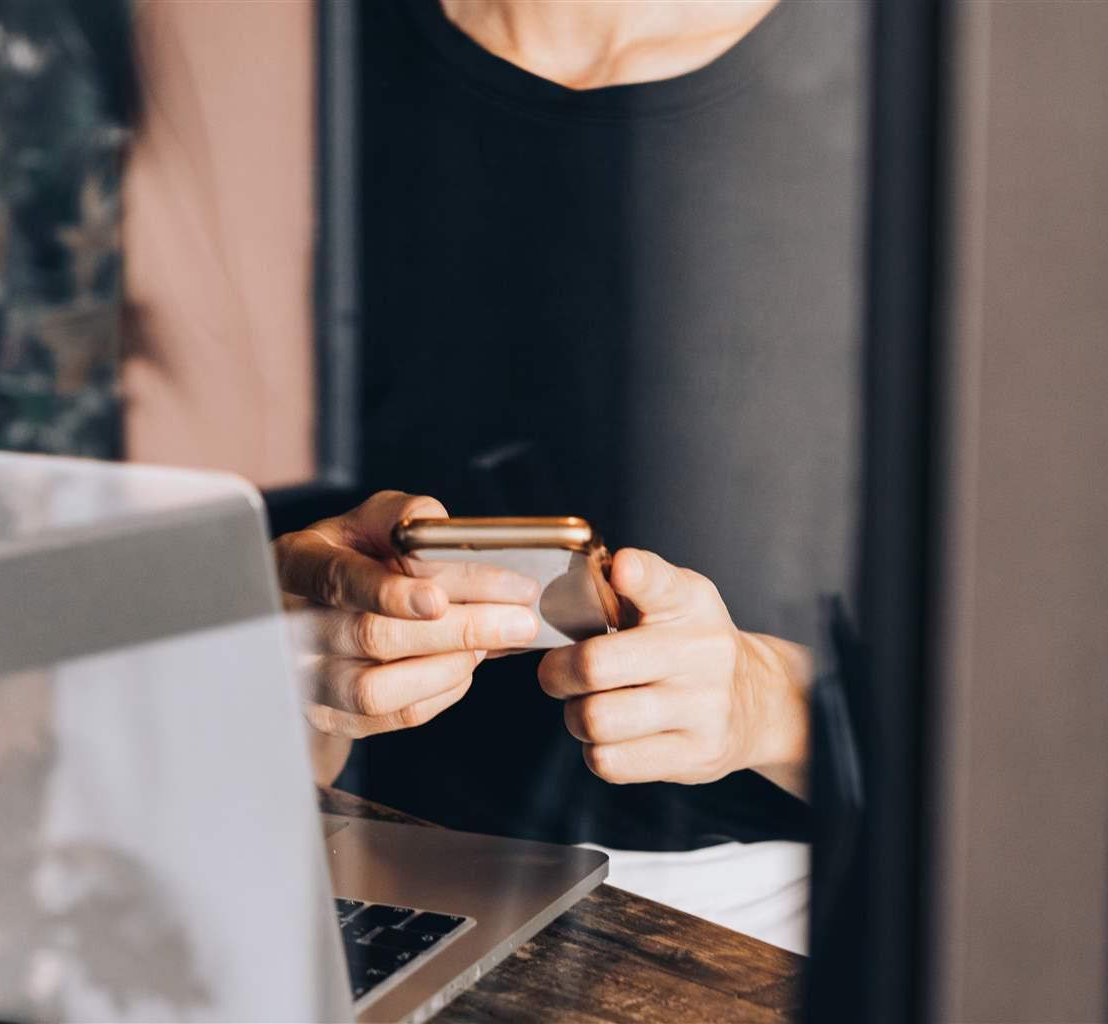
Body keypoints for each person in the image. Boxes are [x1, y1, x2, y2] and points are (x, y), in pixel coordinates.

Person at [126, 0, 862, 953]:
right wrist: (293, 659)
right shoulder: (270, 59)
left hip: (774, 902)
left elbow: (1063, 754)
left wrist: (768, 704)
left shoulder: (955, 88)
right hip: (355, 861)